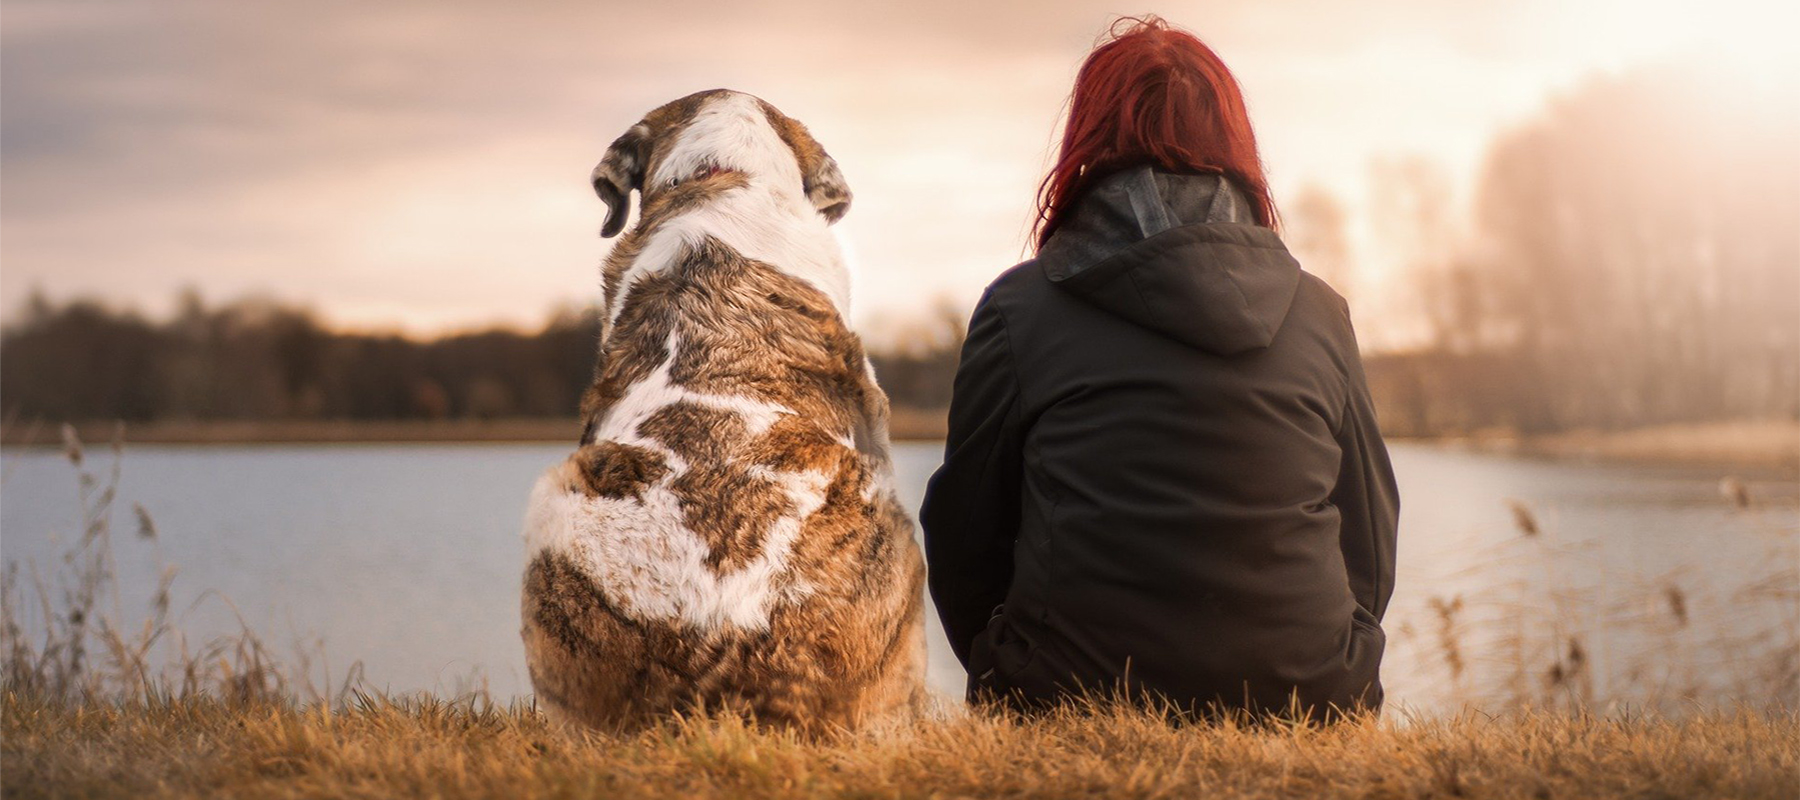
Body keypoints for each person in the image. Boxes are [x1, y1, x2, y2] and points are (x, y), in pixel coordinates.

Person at [919, 16, 1399, 721]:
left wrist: (1009, 663)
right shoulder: (1320, 313)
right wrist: (1334, 655)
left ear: (1087, 142)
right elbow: (1371, 535)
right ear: (1234, 144)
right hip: (1309, 697)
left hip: (1065, 696)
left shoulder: (1020, 310)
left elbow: (964, 533)